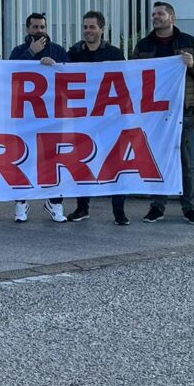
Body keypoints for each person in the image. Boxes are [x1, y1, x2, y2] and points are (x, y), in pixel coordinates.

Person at [133, 1, 194, 224]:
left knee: (185, 160)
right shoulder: (144, 45)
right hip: (155, 112)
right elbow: (133, 76)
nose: (155, 17)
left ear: (172, 18)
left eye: (160, 14)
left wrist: (193, 64)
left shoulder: (189, 42)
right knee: (158, 160)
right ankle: (157, 206)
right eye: (153, 14)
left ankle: (189, 207)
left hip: (182, 110)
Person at [63, 11, 129, 226]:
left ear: (102, 28)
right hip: (83, 119)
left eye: (92, 27)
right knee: (83, 163)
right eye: (85, 27)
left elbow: (126, 83)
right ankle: (82, 208)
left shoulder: (115, 54)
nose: (88, 31)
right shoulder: (73, 53)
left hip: (110, 119)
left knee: (115, 164)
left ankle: (119, 210)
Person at [9, 12, 70, 224]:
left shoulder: (59, 51)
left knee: (53, 160)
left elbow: (70, 78)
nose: (39, 31)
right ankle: (21, 203)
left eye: (42, 27)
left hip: (53, 117)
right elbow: (10, 75)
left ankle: (55, 202)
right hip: (25, 116)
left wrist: (56, 66)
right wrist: (30, 54)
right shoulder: (18, 51)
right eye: (35, 27)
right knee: (23, 159)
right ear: (28, 29)